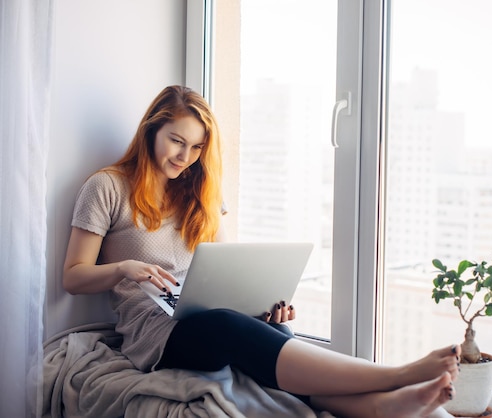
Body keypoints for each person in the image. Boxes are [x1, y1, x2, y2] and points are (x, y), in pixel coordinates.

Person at [63, 85, 460, 418]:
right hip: (154, 332)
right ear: (151, 130)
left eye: (197, 147)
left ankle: (384, 407)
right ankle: (396, 376)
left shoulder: (200, 193)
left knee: (275, 330)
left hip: (204, 313)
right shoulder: (106, 187)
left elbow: (222, 270)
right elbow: (73, 276)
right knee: (228, 327)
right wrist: (124, 269)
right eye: (176, 141)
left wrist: (260, 303)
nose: (185, 158)